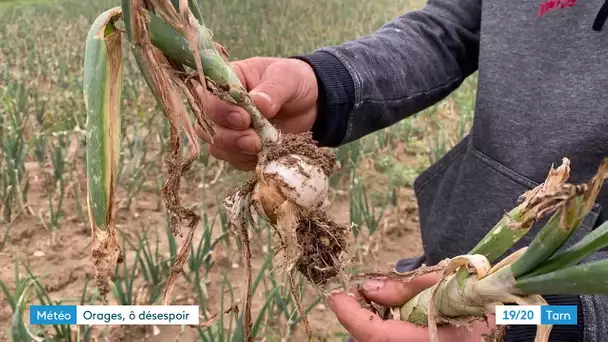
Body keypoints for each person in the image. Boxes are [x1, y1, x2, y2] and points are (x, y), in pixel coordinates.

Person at [196, 0, 608, 340]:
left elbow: (544, 314)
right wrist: (330, 85)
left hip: (553, 314)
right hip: (449, 275)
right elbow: (451, 25)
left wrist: (539, 323)